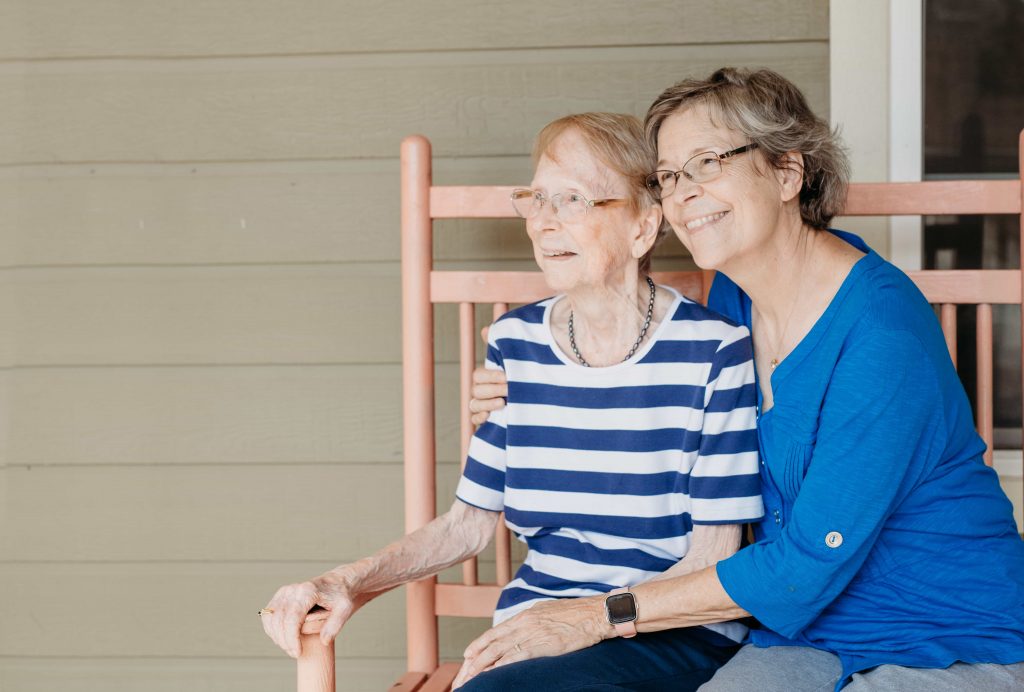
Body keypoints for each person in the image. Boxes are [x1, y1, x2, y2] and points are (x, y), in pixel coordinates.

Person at [463, 68, 1024, 691]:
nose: (682, 194)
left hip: (948, 638)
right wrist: (530, 390)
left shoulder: (881, 335)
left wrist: (597, 615)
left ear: (788, 172)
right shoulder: (733, 299)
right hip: (800, 636)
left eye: (707, 162)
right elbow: (647, 393)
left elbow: (806, 563)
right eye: (671, 176)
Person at [260, 112, 764, 691]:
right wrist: (345, 580)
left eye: (572, 200)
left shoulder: (712, 353)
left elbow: (712, 559)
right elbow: (466, 528)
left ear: (643, 228)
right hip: (532, 630)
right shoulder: (513, 345)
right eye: (536, 199)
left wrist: (588, 623)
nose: (544, 224)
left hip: (667, 630)